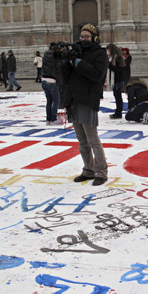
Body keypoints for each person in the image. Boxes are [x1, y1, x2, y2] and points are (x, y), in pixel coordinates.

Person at [60, 23, 109, 186]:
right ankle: (88, 170)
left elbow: (96, 75)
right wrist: (66, 61)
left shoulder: (100, 54)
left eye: (87, 37)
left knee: (92, 138)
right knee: (82, 140)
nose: (83, 39)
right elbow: (66, 78)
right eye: (81, 36)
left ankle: (101, 171)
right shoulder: (76, 53)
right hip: (73, 99)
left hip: (88, 99)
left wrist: (78, 62)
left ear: (95, 38)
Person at [41, 43, 62, 125]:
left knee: (49, 101)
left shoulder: (46, 56)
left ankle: (48, 119)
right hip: (52, 80)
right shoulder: (55, 57)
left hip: (44, 79)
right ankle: (53, 119)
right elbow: (57, 69)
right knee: (56, 101)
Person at [106, 43, 128, 119]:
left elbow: (117, 69)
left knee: (118, 96)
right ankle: (118, 111)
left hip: (118, 80)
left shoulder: (117, 58)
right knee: (117, 96)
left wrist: (108, 65)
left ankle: (118, 112)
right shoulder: (114, 57)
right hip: (117, 79)